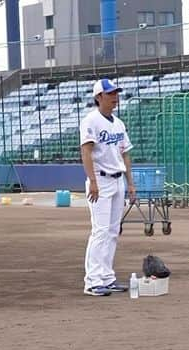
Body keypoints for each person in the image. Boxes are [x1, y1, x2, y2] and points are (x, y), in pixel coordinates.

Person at [79, 78, 136, 296]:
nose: (115, 97)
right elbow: (86, 152)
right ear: (99, 97)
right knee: (100, 231)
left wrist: (130, 183)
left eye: (116, 93)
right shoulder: (91, 120)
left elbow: (125, 153)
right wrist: (92, 181)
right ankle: (92, 281)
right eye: (111, 93)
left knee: (112, 231)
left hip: (117, 180)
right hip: (100, 180)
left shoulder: (119, 123)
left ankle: (107, 276)